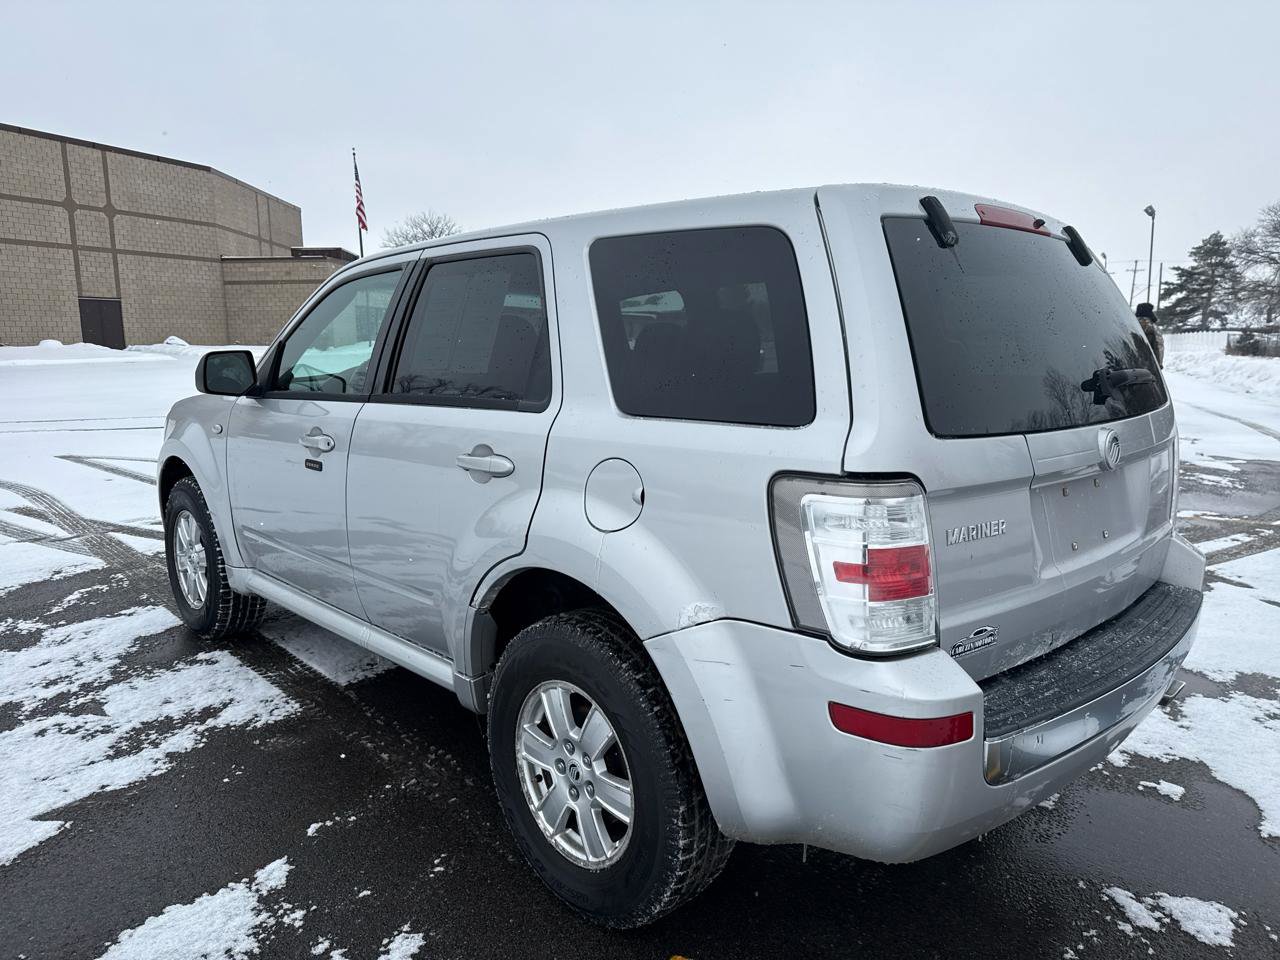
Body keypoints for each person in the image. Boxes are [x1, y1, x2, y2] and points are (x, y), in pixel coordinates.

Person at [1136, 302, 1164, 367]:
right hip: (1148, 365)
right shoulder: (1152, 327)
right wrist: (1159, 364)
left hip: (1130, 363)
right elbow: (1159, 346)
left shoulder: (1131, 325)